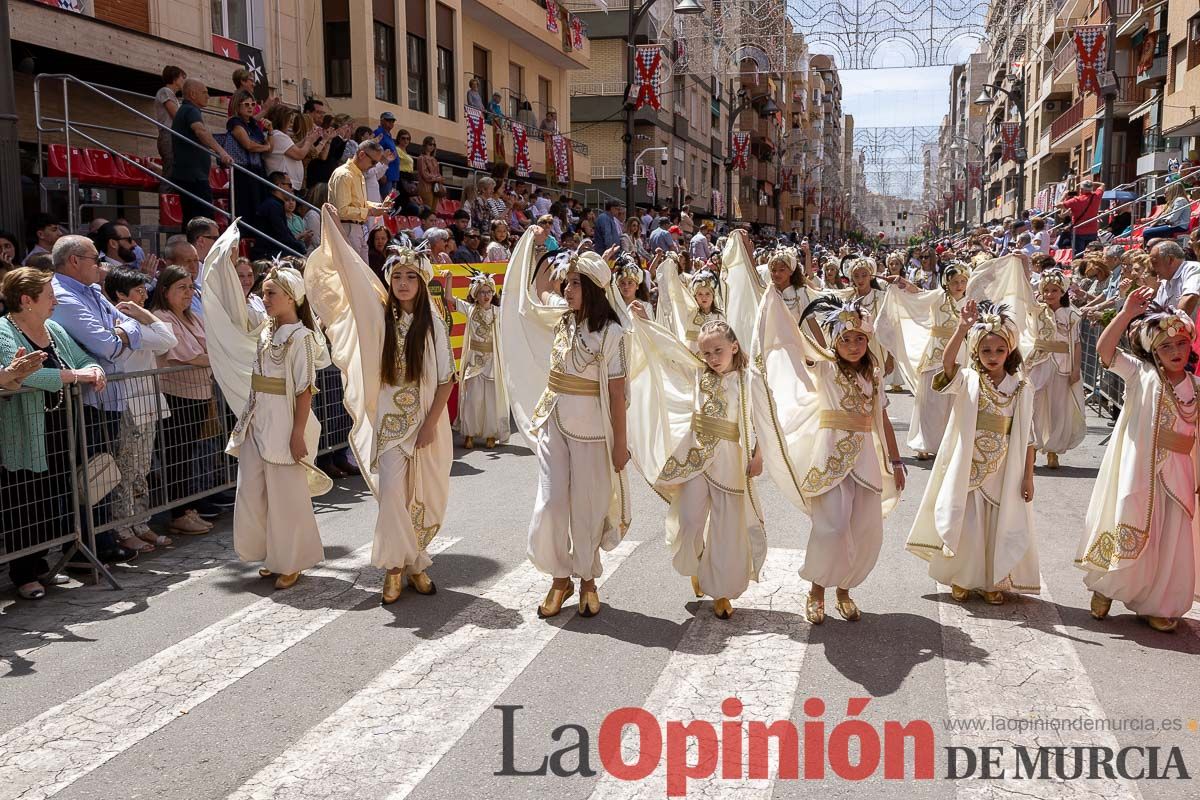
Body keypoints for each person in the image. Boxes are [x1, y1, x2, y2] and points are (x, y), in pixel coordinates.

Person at [306, 207, 455, 604]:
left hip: (427, 424)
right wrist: (335, 231)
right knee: (391, 494)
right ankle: (398, 568)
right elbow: (354, 278)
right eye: (397, 276)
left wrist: (429, 425)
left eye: (411, 276)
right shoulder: (379, 318)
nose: (403, 282)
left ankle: (415, 562)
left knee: (420, 497)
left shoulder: (434, 324)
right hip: (390, 426)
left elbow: (445, 381)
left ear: (422, 282)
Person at [500, 226, 631, 619]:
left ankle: (588, 579)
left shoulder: (612, 332)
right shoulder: (560, 317)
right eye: (567, 282)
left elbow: (616, 393)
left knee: (587, 506)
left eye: (575, 283)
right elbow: (534, 293)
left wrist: (621, 444)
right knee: (553, 502)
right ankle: (560, 577)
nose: (567, 289)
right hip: (552, 420)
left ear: (592, 287)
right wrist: (536, 243)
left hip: (593, 429)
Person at [752, 293, 903, 624]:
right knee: (831, 528)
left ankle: (844, 591)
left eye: (859, 339)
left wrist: (896, 461)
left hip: (865, 463)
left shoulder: (874, 376)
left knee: (864, 530)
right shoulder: (825, 367)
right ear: (835, 342)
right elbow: (796, 343)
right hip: (829, 459)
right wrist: (780, 307)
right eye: (845, 339)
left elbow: (883, 421)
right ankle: (816, 590)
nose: (852, 345)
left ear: (868, 341)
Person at [1078, 288, 1198, 632]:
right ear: (1152, 351)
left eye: (1180, 343)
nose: (1175, 351)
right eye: (1165, 346)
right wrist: (1127, 312)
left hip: (1180, 476)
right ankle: (1106, 588)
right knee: (1127, 524)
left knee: (1170, 540)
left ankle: (1157, 603)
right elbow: (1104, 351)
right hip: (1139, 471)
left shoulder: (1197, 386)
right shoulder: (1141, 375)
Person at [905, 300, 1037, 605]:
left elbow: (1029, 438)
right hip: (968, 464)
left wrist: (1028, 477)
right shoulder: (969, 380)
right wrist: (962, 328)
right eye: (985, 351)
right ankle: (963, 577)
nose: (992, 357)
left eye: (999, 351)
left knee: (997, 523)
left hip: (1006, 467)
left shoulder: (1021, 386)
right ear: (976, 352)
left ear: (1010, 352)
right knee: (969, 522)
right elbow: (947, 364)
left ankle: (993, 580)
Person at [0, 268, 103, 598]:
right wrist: (76, 376)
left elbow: (83, 358)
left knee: (53, 497)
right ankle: (24, 573)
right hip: (26, 432)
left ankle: (43, 565)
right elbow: (27, 376)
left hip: (60, 428)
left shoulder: (53, 328)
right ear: (27, 300)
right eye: (49, 295)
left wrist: (94, 369)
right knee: (25, 501)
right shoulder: (3, 331)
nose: (55, 300)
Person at [227, 264, 330, 589]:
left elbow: (304, 389)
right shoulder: (267, 331)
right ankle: (271, 553)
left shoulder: (302, 338)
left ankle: (293, 560)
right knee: (252, 492)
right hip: (256, 420)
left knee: (286, 498)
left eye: (271, 293)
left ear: (291, 297)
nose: (264, 297)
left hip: (284, 424)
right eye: (263, 291)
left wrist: (297, 433)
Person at [50, 235, 145, 563]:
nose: (101, 265)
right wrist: (122, 334)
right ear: (74, 261)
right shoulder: (60, 294)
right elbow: (107, 344)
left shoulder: (91, 290)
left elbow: (133, 325)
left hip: (109, 397)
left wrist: (121, 333)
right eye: (95, 258)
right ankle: (83, 546)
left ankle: (101, 538)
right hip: (86, 401)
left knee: (104, 472)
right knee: (85, 475)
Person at [101, 267, 178, 552]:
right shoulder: (121, 325)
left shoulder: (142, 324)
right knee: (126, 469)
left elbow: (167, 339)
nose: (144, 296)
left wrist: (143, 312)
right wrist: (142, 314)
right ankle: (122, 527)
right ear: (120, 295)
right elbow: (169, 339)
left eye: (145, 290)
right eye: (137, 291)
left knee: (142, 468)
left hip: (148, 403)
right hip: (128, 404)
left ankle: (140, 522)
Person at [876, 264, 968, 460]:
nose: (959, 285)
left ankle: (948, 443)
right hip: (935, 353)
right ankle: (923, 444)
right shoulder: (937, 297)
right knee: (929, 401)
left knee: (954, 401)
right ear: (946, 283)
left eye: (962, 281)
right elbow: (916, 293)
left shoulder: (970, 301)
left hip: (960, 352)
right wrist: (900, 281)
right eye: (954, 282)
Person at [149, 265, 215, 535]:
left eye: (190, 287)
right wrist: (219, 360)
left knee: (189, 453)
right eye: (181, 288)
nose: (188, 293)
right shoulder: (161, 316)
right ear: (165, 291)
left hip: (199, 392)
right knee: (176, 454)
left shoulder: (193, 318)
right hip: (176, 395)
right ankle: (177, 512)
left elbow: (210, 347)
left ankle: (188, 508)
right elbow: (189, 355)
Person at [1028, 269, 1085, 469]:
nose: (1050, 294)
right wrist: (1024, 263)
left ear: (1063, 292)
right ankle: (1032, 447)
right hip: (1038, 362)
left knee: (1058, 408)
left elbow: (1076, 343)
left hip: (1062, 364)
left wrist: (1076, 369)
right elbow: (1024, 292)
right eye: (1046, 290)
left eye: (1054, 290)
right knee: (1033, 405)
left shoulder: (1071, 314)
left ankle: (1053, 450)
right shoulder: (1037, 310)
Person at [445, 270, 508, 449]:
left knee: (490, 398)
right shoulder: (470, 309)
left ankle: (490, 434)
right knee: (473, 398)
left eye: (489, 292)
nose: (486, 295)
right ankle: (469, 434)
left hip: (491, 362)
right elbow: (449, 298)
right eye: (482, 292)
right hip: (473, 362)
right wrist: (449, 279)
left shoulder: (498, 312)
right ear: (475, 294)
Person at [169, 80, 233, 227]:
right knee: (204, 221)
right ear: (192, 94)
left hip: (190, 175)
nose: (208, 96)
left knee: (194, 220)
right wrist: (222, 152)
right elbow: (200, 131)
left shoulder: (185, 110)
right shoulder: (191, 110)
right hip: (193, 177)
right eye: (204, 92)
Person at [328, 140, 391, 259]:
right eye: (373, 162)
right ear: (362, 155)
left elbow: (359, 203)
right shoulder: (344, 175)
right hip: (347, 228)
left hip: (358, 229)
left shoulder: (358, 174)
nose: (374, 166)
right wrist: (371, 212)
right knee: (352, 272)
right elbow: (342, 210)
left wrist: (377, 206)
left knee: (362, 272)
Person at [225, 90, 271, 222]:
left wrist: (271, 132)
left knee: (259, 205)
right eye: (246, 104)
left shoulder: (253, 124)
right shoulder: (234, 122)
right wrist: (265, 147)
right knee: (245, 207)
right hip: (243, 170)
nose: (250, 107)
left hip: (257, 168)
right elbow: (248, 145)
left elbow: (266, 144)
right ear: (237, 105)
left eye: (253, 104)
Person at [264, 105, 320, 194]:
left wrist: (306, 139)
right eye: (289, 121)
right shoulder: (278, 135)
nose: (290, 125)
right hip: (286, 185)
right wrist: (309, 141)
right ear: (282, 121)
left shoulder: (276, 135)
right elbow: (299, 155)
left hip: (289, 184)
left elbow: (291, 148)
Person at [1149, 240, 1200, 319]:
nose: (1152, 268)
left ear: (1170, 259)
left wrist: (1171, 325)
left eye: (1154, 262)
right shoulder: (1165, 281)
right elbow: (1155, 311)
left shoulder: (1193, 268)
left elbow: (1190, 298)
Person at [154, 66, 186, 176]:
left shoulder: (173, 96)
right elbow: (176, 116)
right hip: (168, 135)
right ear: (175, 78)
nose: (184, 81)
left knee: (174, 172)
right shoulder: (165, 91)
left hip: (174, 136)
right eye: (182, 77)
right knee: (170, 172)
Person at [1059, 179, 1105, 255]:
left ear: (1081, 189)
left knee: (1078, 256)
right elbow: (1102, 184)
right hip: (1092, 231)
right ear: (1091, 188)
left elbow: (1058, 205)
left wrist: (1064, 196)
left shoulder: (1075, 200)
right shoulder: (1096, 196)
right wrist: (1091, 183)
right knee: (1091, 255)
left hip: (1078, 232)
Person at [373, 111, 400, 197]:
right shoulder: (379, 133)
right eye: (388, 120)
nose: (391, 123)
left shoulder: (388, 135)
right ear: (382, 121)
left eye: (392, 121)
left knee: (390, 203)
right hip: (386, 174)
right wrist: (382, 174)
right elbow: (376, 152)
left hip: (393, 175)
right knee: (385, 202)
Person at [415, 136, 442, 209]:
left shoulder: (434, 160)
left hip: (435, 188)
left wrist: (438, 178)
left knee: (433, 211)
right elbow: (425, 175)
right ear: (425, 145)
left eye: (434, 145)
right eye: (430, 144)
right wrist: (437, 178)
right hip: (425, 187)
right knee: (427, 211)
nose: (432, 146)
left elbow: (438, 173)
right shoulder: (421, 158)